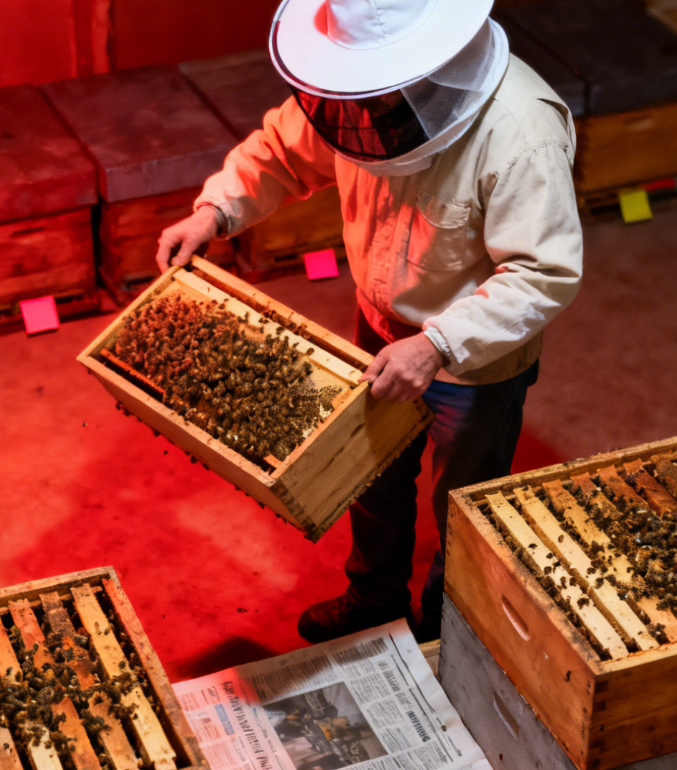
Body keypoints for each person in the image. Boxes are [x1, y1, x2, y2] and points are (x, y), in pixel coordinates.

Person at [157, 0, 583, 643]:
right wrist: (213, 212)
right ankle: (374, 596)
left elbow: (541, 274)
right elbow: (277, 151)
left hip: (472, 363)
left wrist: (439, 344)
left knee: (465, 505)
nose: (360, 112)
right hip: (376, 324)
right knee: (369, 477)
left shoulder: (522, 130)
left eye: (376, 93)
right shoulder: (350, 94)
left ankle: (449, 626)